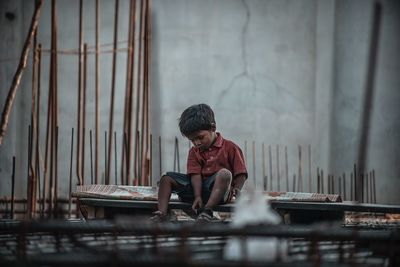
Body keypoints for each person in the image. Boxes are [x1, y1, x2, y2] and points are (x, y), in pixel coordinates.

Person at [150, 103, 248, 222]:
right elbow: (195, 175)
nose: (197, 143)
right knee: (166, 178)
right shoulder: (194, 151)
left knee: (225, 174)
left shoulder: (231, 148)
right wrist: (197, 196)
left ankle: (207, 211)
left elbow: (241, 173)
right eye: (192, 140)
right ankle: (161, 214)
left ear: (213, 128)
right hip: (197, 191)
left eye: (200, 137)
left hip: (218, 192)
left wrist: (236, 189)